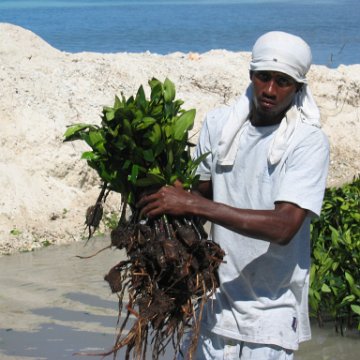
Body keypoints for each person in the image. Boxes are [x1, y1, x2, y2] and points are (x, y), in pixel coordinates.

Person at [138, 31, 330, 360]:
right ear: (251, 75)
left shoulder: (308, 142)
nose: (270, 90)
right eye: (263, 77)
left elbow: (284, 226)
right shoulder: (219, 125)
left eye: (282, 82)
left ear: (298, 87)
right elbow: (196, 204)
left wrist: (195, 204)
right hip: (213, 303)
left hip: (271, 314)